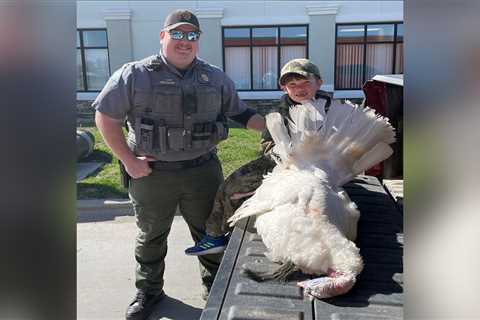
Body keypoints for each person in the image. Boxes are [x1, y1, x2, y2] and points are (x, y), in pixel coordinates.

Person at [93, 9, 265, 320]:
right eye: (178, 34)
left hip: (202, 171)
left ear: (198, 41)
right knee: (151, 235)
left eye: (191, 35)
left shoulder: (215, 78)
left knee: (211, 233)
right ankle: (149, 291)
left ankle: (217, 290)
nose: (184, 41)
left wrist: (277, 128)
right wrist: (129, 161)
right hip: (151, 174)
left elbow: (241, 114)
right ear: (163, 36)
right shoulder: (134, 75)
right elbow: (105, 117)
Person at [185, 58, 332, 255]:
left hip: (325, 166)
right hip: (283, 164)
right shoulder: (278, 113)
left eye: (306, 82)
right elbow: (267, 143)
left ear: (319, 82)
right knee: (231, 186)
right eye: (292, 84)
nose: (300, 89)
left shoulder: (335, 110)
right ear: (284, 88)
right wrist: (283, 151)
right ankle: (215, 236)